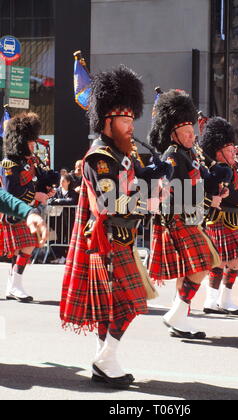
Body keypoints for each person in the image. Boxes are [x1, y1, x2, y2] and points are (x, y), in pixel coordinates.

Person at [60, 65, 171, 389]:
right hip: (106, 240)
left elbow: (135, 185)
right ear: (107, 121)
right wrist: (148, 191)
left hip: (121, 238)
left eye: (131, 119)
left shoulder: (122, 154)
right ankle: (105, 357)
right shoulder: (100, 158)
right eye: (125, 120)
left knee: (113, 308)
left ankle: (104, 361)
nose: (130, 126)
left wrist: (150, 176)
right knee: (131, 303)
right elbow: (114, 202)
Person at [148, 89, 227, 340]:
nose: (193, 136)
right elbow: (167, 175)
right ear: (174, 134)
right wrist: (162, 182)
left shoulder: (192, 153)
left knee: (189, 268)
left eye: (193, 132)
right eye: (187, 133)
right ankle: (177, 313)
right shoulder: (172, 155)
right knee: (204, 262)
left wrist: (217, 186)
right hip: (177, 217)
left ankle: (180, 317)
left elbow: (203, 178)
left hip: (193, 216)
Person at [200, 117, 238, 315]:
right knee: (222, 259)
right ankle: (211, 300)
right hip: (219, 218)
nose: (233, 152)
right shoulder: (218, 170)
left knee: (235, 259)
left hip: (232, 221)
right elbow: (234, 197)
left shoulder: (234, 170)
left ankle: (224, 299)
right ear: (218, 153)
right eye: (228, 150)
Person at [0, 112, 50, 302]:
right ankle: (15, 285)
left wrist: (45, 189)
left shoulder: (28, 163)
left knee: (22, 248)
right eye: (30, 142)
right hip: (13, 213)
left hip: (26, 210)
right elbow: (10, 192)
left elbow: (33, 183)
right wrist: (35, 195)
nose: (33, 145)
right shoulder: (8, 164)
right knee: (27, 246)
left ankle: (13, 285)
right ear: (20, 142)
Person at [48, 173, 79, 264]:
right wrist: (58, 201)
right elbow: (50, 200)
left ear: (68, 182)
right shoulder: (56, 191)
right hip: (58, 219)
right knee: (59, 238)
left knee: (68, 238)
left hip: (69, 219)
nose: (61, 183)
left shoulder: (72, 192)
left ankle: (67, 257)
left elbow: (72, 201)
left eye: (63, 181)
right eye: (61, 181)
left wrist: (59, 201)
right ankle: (60, 256)